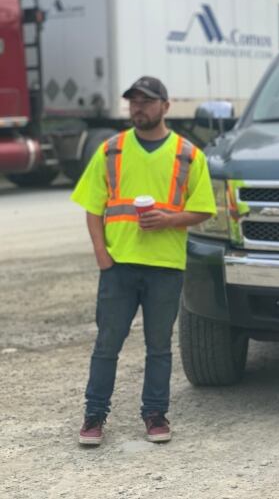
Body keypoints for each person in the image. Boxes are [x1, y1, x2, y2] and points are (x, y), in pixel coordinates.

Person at [72, 76, 216, 446]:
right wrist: (103, 257)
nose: (139, 107)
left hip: (166, 268)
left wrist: (169, 221)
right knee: (107, 345)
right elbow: (93, 207)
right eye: (133, 101)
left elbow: (203, 210)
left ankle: (155, 415)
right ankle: (94, 416)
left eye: (147, 101)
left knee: (159, 347)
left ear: (166, 107)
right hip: (118, 267)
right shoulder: (111, 150)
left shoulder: (188, 155)